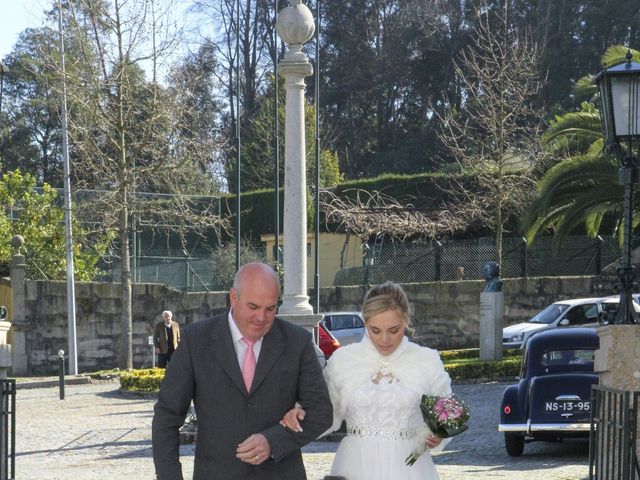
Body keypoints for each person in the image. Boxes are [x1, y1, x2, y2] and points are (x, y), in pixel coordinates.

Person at [152, 262, 333, 480]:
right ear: (233, 297)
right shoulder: (195, 341)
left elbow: (321, 412)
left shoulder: (298, 342)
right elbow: (166, 417)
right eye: (254, 307)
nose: (262, 318)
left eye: (270, 309)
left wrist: (273, 440)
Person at [281, 281, 453, 480]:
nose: (384, 339)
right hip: (355, 464)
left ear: (406, 321)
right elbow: (326, 412)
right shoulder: (344, 360)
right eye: (375, 330)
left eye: (394, 330)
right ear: (365, 323)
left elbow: (448, 414)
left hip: (409, 466)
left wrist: (439, 434)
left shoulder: (426, 360)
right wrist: (301, 413)